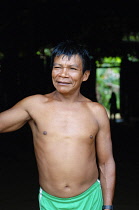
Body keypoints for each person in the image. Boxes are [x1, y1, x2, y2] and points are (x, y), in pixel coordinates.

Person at [0, 40, 116, 210]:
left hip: (89, 199)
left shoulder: (96, 112)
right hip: (50, 201)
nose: (63, 74)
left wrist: (108, 206)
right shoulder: (35, 105)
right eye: (57, 67)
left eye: (72, 69)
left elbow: (106, 162)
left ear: (85, 75)